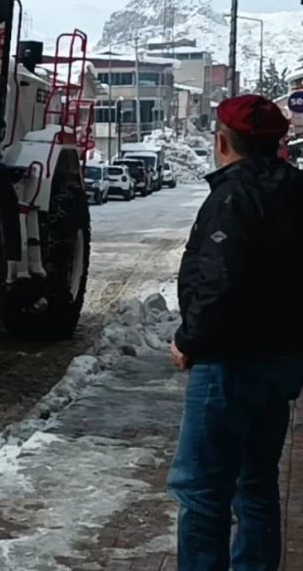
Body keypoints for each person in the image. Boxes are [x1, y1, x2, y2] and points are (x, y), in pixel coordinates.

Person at [167, 94, 303, 570]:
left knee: (202, 492)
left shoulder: (232, 195)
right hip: (282, 361)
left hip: (227, 364)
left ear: (222, 141)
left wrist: (189, 340)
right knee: (257, 483)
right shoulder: (296, 190)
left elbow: (218, 278)